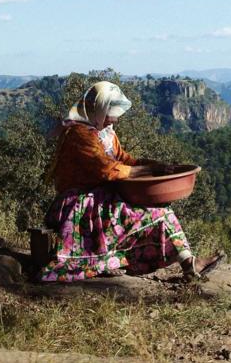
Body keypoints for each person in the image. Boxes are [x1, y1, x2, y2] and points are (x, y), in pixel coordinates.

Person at [39, 80, 221, 282]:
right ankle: (188, 263)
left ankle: (188, 263)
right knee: (159, 213)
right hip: (80, 203)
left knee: (158, 210)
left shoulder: (104, 134)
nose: (114, 121)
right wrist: (149, 170)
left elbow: (124, 161)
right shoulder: (79, 134)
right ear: (98, 110)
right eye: (110, 115)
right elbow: (108, 170)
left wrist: (157, 166)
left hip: (99, 198)